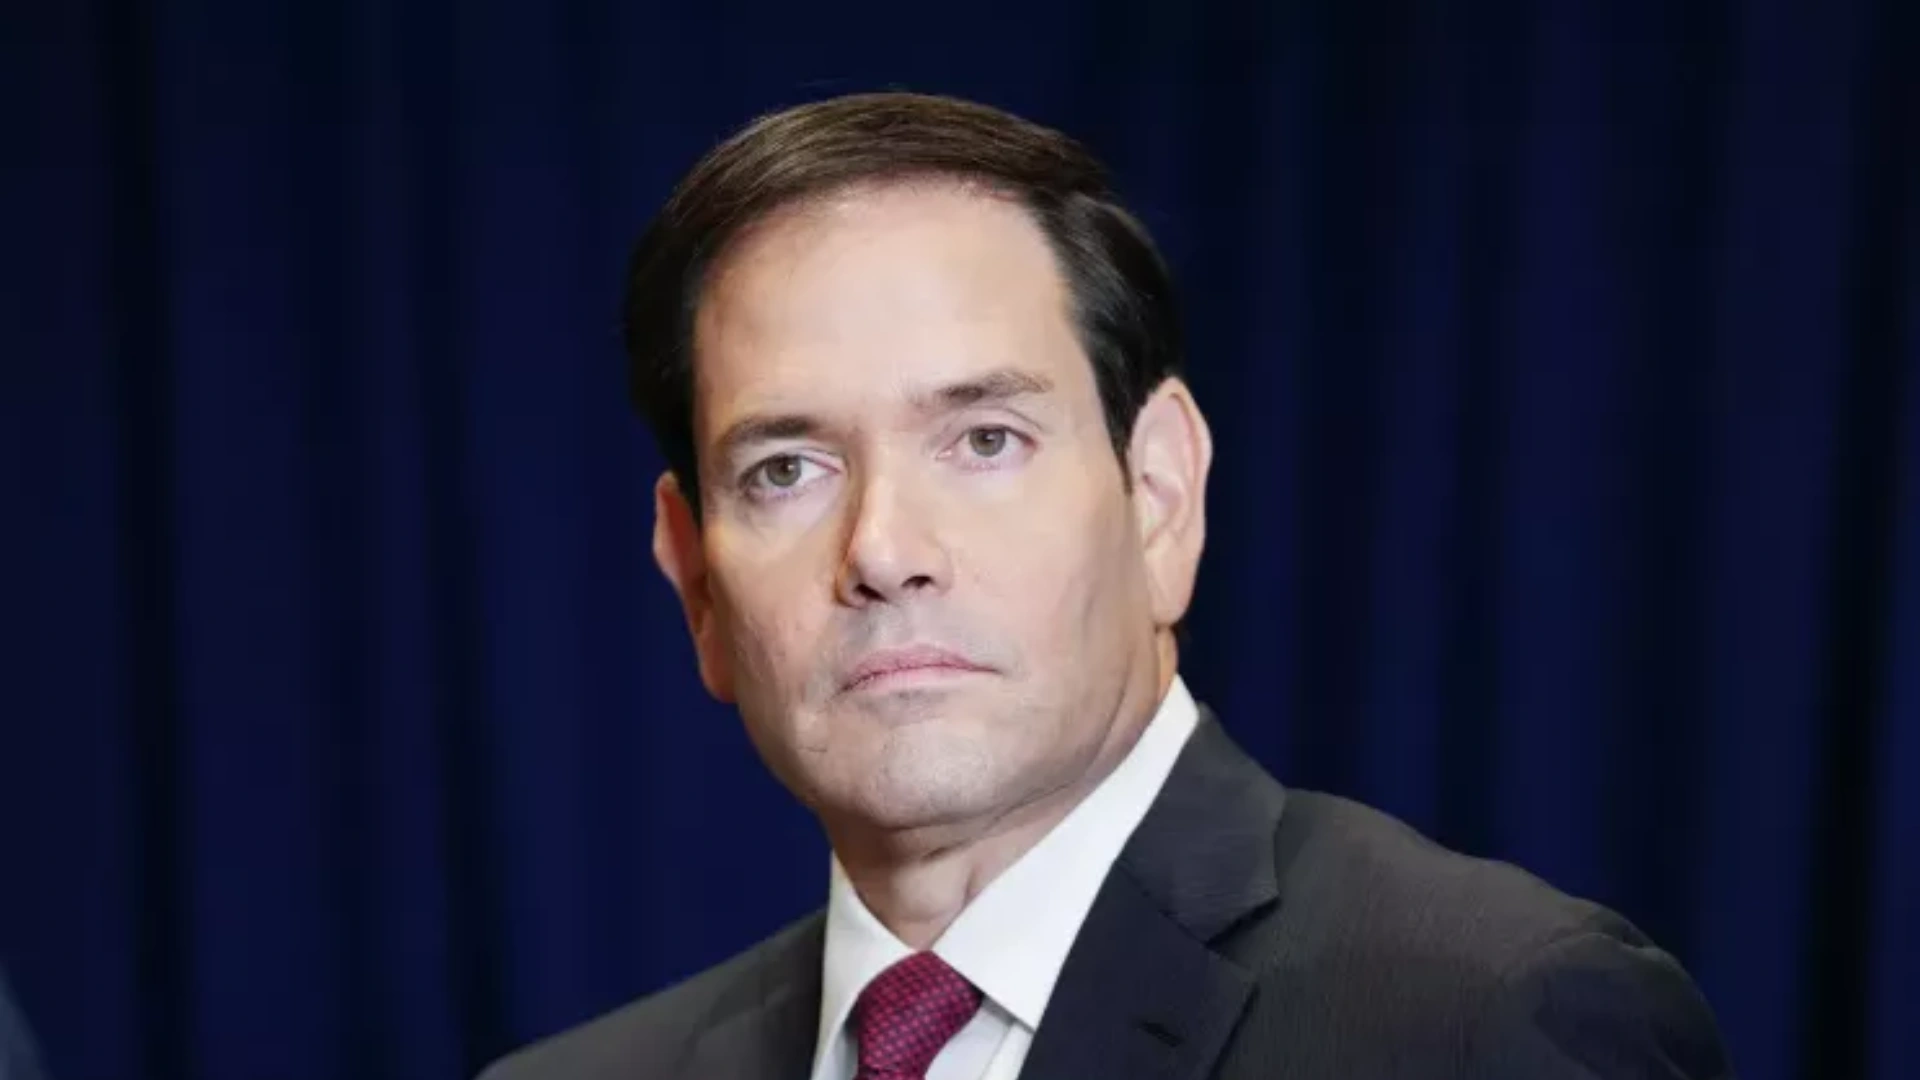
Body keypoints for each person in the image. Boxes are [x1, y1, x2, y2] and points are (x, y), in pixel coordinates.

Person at [480, 92, 1731, 1080]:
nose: (883, 550)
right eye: (787, 470)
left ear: (1160, 496)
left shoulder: (1486, 1022)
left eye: (985, 440)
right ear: (697, 582)